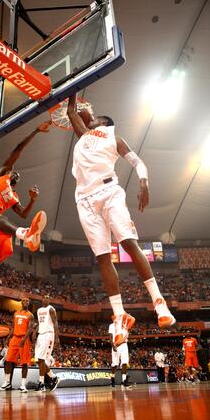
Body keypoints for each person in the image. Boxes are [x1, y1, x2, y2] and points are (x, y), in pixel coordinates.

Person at [67, 95, 175, 346]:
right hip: (84, 200)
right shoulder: (84, 136)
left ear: (104, 122)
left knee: (128, 243)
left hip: (109, 192)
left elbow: (137, 161)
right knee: (103, 257)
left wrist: (144, 183)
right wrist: (73, 89)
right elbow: (72, 111)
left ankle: (159, 302)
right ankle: (119, 316)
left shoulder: (113, 137)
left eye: (96, 118)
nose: (92, 120)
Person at [0, 122, 51, 337]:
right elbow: (18, 150)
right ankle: (25, 234)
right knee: (1, 220)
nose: (16, 176)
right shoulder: (2, 173)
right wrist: (35, 131)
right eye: (15, 173)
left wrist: (32, 201)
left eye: (17, 178)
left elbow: (22, 213)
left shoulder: (13, 196)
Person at [0, 297, 34, 392]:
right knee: (8, 360)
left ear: (29, 303)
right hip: (14, 338)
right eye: (24, 300)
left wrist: (24, 339)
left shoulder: (30, 315)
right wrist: (8, 337)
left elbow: (30, 329)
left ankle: (23, 385)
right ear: (21, 302)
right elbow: (13, 327)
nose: (25, 302)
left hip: (24, 339)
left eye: (27, 301)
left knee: (24, 362)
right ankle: (6, 382)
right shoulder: (16, 313)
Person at [34, 294, 60, 392]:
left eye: (48, 298)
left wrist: (57, 337)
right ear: (42, 299)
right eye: (44, 297)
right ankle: (46, 381)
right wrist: (35, 332)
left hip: (49, 334)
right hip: (40, 334)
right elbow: (40, 323)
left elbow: (55, 322)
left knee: (42, 359)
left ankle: (48, 380)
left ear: (50, 300)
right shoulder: (39, 310)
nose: (46, 299)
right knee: (38, 360)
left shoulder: (51, 309)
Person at [109, 322, 132, 388]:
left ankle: (124, 381)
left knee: (124, 362)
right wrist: (113, 345)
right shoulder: (111, 325)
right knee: (115, 363)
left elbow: (128, 332)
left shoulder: (125, 325)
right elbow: (110, 336)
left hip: (124, 344)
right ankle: (112, 377)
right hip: (115, 344)